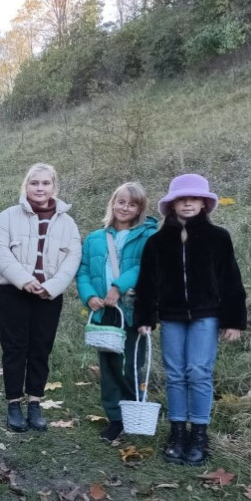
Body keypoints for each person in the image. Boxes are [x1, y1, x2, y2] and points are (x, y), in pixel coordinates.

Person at [134, 174, 246, 466]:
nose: (187, 203)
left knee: (198, 371)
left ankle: (199, 434)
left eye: (193, 198)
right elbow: (147, 283)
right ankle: (177, 433)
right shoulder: (157, 242)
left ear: (204, 204)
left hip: (205, 315)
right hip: (171, 316)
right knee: (175, 373)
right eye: (181, 199)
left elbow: (231, 279)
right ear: (171, 205)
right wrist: (145, 316)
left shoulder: (218, 237)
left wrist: (233, 320)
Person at [0, 163, 81, 433]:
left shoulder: (67, 223)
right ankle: (14, 405)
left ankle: (35, 404)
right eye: (34, 183)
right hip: (13, 293)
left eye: (45, 183)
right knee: (15, 348)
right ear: (25, 186)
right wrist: (25, 280)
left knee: (41, 348)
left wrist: (51, 287)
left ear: (54, 187)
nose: (39, 188)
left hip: (48, 296)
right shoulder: (7, 217)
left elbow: (73, 258)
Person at [77, 182, 158, 441]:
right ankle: (115, 418)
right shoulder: (95, 238)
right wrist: (89, 296)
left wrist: (118, 287)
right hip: (106, 314)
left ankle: (135, 409)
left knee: (132, 365)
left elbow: (146, 267)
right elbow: (84, 271)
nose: (125, 207)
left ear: (140, 209)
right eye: (121, 202)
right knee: (110, 366)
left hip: (133, 310)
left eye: (132, 204)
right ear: (113, 203)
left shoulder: (148, 235)